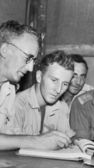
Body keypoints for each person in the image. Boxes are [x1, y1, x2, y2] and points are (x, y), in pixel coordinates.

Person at [0, 20, 70, 150]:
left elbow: (6, 137)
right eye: (28, 58)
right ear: (5, 50)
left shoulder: (8, 90)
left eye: (33, 60)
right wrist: (35, 141)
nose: (31, 68)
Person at [5, 50, 75, 137]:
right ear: (39, 77)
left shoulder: (62, 107)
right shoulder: (17, 105)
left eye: (65, 84)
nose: (58, 90)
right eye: (54, 80)